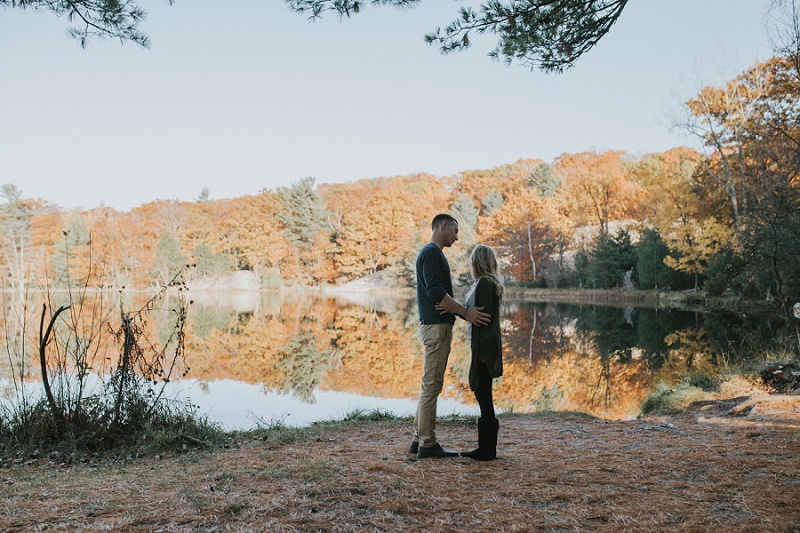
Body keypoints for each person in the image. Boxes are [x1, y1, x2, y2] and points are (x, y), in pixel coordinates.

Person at [411, 214, 491, 459]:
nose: (457, 237)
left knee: (430, 385)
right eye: (455, 230)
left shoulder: (434, 254)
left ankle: (418, 439)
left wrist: (450, 306)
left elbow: (438, 294)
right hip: (435, 328)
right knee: (432, 386)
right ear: (442, 226)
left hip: (436, 326)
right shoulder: (431, 253)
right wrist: (466, 312)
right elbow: (436, 292)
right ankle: (427, 444)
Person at [459, 244, 504, 461]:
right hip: (481, 349)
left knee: (483, 395)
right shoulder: (483, 283)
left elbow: (483, 321)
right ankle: (486, 448)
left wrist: (481, 356)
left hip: (483, 351)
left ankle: (487, 449)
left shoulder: (485, 284)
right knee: (483, 395)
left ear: (477, 262)